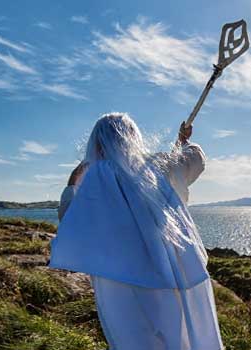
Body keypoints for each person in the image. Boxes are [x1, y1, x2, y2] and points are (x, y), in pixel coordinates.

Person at [50, 113, 223, 350]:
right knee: (177, 335)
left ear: (96, 142)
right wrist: (183, 144)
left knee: (133, 338)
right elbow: (193, 162)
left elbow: (69, 218)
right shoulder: (152, 169)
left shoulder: (95, 179)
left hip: (118, 280)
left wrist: (72, 181)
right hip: (166, 272)